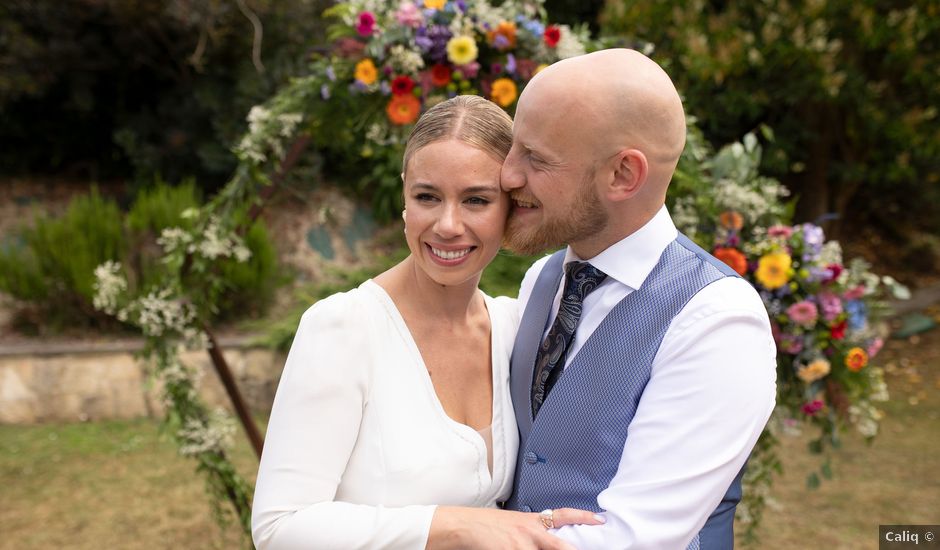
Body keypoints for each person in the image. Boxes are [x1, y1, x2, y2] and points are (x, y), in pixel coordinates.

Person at [251, 95, 600, 550]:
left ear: (511, 208)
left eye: (476, 200)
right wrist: (458, 525)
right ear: (404, 196)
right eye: (427, 197)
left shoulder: (515, 327)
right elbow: (280, 528)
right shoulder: (344, 328)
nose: (447, 224)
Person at [496, 48, 778, 549]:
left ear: (623, 175)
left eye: (536, 158)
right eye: (513, 149)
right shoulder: (541, 280)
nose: (507, 175)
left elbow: (636, 537)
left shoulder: (717, 321)